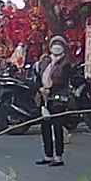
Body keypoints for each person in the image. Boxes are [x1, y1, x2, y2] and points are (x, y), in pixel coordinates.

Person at [36, 36, 73, 167]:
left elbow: (63, 80)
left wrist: (51, 89)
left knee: (57, 127)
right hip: (44, 97)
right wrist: (41, 88)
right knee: (45, 127)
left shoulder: (66, 63)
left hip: (57, 99)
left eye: (59, 44)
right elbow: (38, 76)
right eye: (54, 44)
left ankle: (58, 157)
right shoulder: (45, 61)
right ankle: (48, 155)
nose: (56, 47)